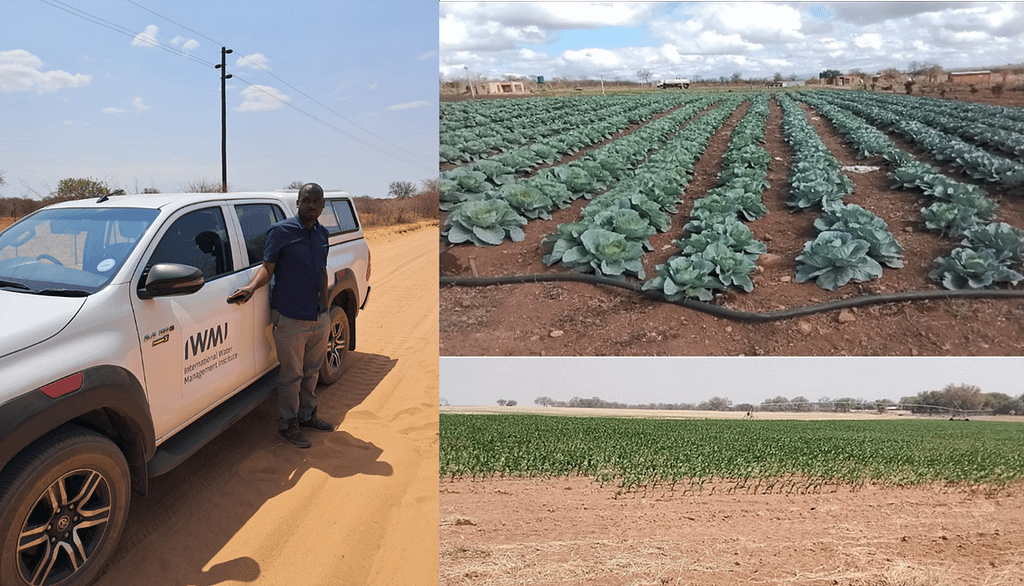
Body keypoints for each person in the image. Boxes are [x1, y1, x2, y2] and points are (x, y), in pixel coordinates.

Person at [229, 182, 334, 448]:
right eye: (306, 200)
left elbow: (321, 270)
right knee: (291, 374)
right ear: (297, 203)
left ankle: (307, 415)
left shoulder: (322, 233)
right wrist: (252, 287)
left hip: (319, 316)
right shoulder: (281, 232)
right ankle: (288, 425)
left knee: (312, 371)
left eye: (316, 201)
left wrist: (326, 305)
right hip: (291, 318)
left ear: (323, 205)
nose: (311, 205)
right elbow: (268, 268)